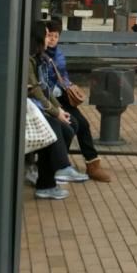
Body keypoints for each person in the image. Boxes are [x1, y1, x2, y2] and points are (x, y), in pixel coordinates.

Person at [44, 19, 112, 182]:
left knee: (84, 124)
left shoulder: (58, 53)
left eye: (56, 36)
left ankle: (93, 165)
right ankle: (60, 166)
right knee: (70, 125)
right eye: (49, 35)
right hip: (50, 100)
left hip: (63, 96)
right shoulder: (41, 55)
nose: (53, 39)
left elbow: (63, 74)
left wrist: (68, 85)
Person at [27, 22, 85, 199]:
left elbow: (45, 89)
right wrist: (55, 112)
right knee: (54, 126)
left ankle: (49, 179)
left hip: (41, 107)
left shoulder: (42, 58)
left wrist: (59, 109)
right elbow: (35, 90)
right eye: (46, 35)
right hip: (31, 110)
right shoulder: (29, 59)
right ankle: (60, 168)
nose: (49, 39)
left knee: (72, 124)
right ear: (38, 38)